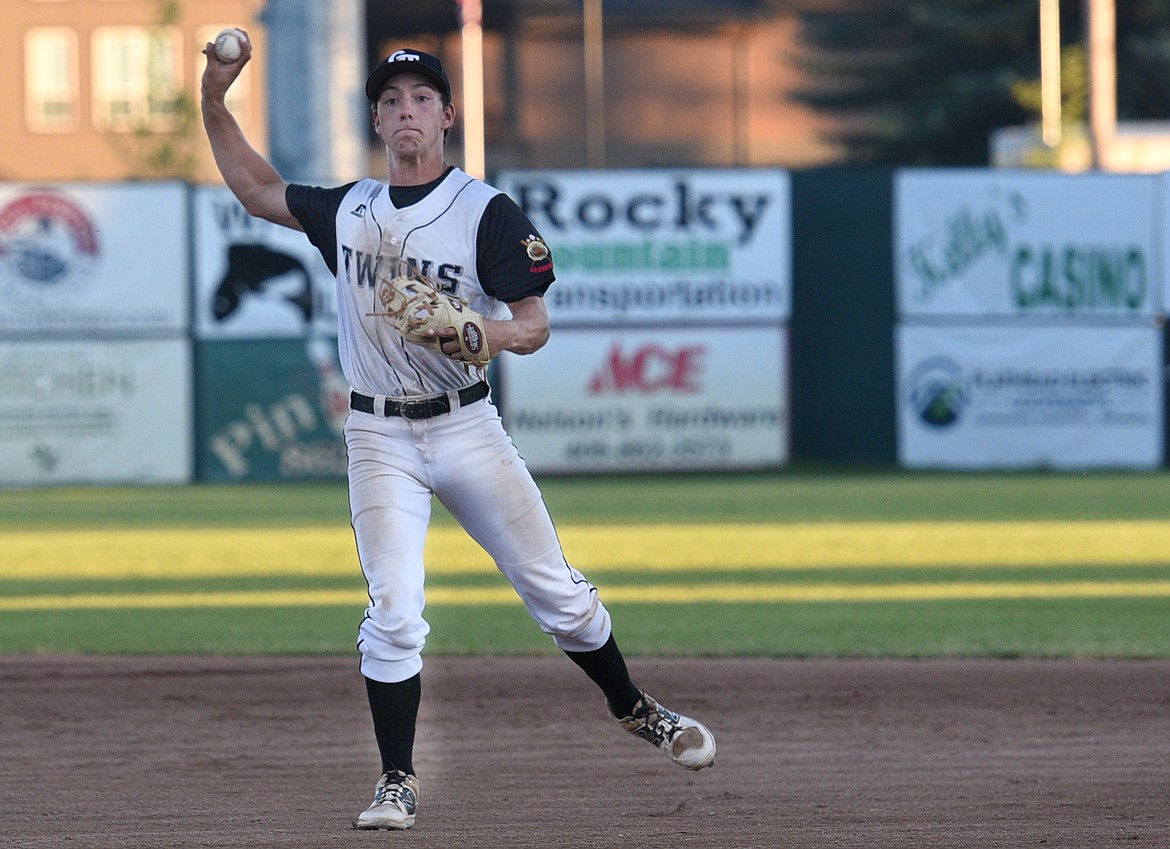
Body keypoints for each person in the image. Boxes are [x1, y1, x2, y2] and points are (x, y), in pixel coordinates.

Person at [200, 39, 716, 830]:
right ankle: (396, 779)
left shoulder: (484, 212)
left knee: (560, 596)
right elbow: (258, 189)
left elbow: (534, 326)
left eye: (420, 97)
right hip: (378, 436)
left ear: (446, 115)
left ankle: (634, 705)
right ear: (376, 119)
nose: (406, 109)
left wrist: (479, 329)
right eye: (391, 99)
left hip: (467, 424)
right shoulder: (350, 211)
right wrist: (214, 97)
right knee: (396, 607)